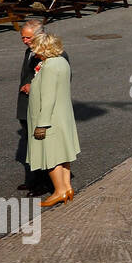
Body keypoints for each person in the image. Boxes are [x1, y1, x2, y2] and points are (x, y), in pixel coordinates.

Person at [25, 33, 80, 208]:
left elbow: (48, 98)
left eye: (35, 48)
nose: (33, 52)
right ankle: (67, 187)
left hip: (50, 118)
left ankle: (59, 191)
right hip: (63, 115)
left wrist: (42, 124)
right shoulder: (61, 62)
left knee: (52, 157)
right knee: (63, 154)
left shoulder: (49, 67)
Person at [16, 18, 66, 196]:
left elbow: (58, 82)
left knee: (44, 147)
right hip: (26, 104)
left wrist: (34, 86)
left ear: (40, 36)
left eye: (28, 38)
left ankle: (46, 184)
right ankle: (34, 180)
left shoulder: (53, 55)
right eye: (23, 37)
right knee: (31, 146)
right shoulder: (29, 51)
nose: (25, 41)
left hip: (41, 107)